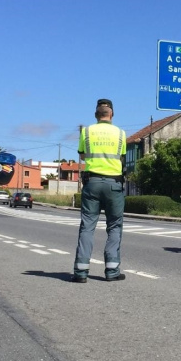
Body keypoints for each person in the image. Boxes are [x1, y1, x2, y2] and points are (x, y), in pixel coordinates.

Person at [71, 99, 127, 283]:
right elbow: (121, 157)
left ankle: (80, 272)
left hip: (92, 182)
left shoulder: (86, 131)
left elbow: (82, 154)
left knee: (87, 226)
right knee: (114, 226)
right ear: (111, 114)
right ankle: (112, 271)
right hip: (114, 184)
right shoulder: (121, 134)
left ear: (96, 115)